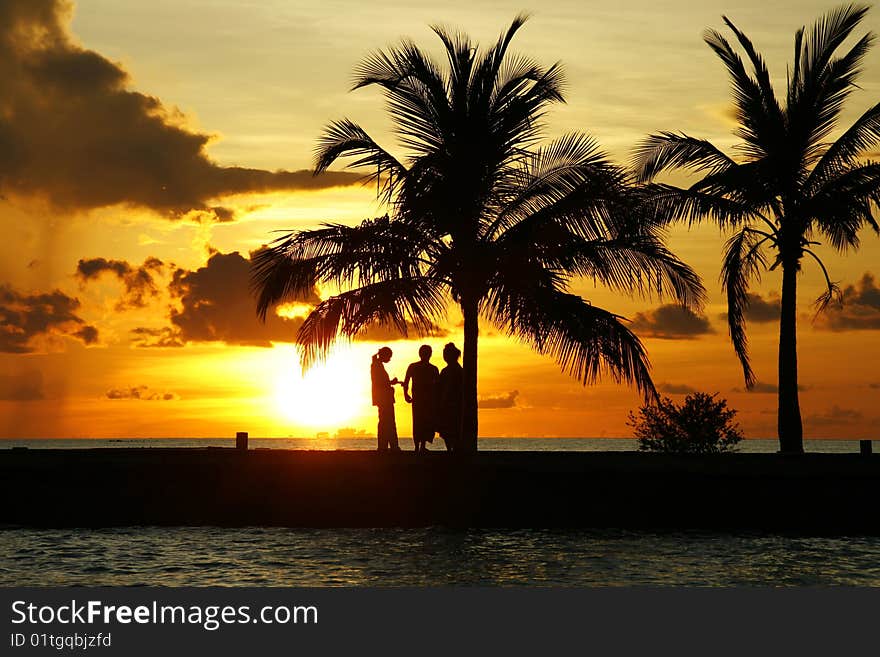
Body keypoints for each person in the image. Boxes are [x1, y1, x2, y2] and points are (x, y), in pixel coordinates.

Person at [403, 345, 440, 453]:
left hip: (427, 400)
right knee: (419, 422)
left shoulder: (432, 368)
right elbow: (406, 381)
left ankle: (421, 446)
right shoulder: (416, 367)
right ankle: (418, 446)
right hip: (419, 399)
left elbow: (438, 386)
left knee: (423, 422)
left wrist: (406, 393)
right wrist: (405, 394)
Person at [371, 346, 400, 451]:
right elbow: (380, 383)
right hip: (384, 399)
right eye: (389, 357)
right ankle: (390, 446)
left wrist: (391, 383)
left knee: (385, 422)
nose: (389, 359)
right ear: (385, 355)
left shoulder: (377, 365)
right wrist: (391, 382)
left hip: (383, 398)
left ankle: (386, 445)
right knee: (388, 422)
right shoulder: (377, 366)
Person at [436, 342, 463, 452]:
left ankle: (452, 451)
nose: (444, 356)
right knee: (447, 431)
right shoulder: (447, 371)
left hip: (452, 405)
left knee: (451, 430)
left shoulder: (456, 371)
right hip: (448, 404)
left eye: (446, 354)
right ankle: (451, 451)